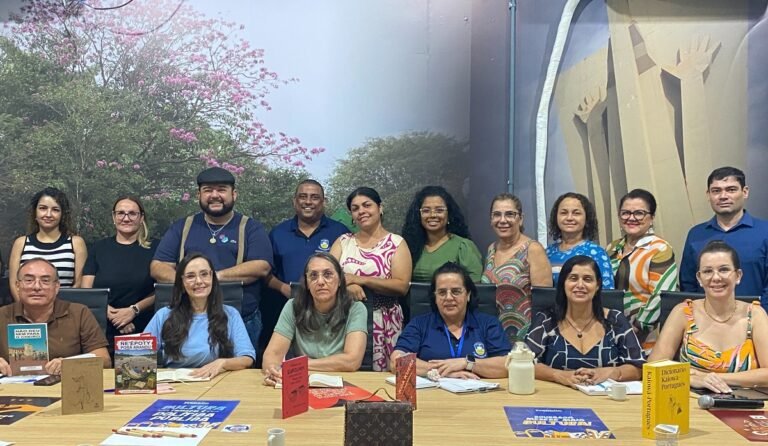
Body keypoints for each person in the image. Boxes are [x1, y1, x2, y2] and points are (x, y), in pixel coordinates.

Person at [151, 167, 273, 354]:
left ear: (234, 194)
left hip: (239, 319)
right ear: (198, 195)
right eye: (208, 190)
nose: (215, 195)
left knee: (240, 375)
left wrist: (212, 277)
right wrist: (188, 281)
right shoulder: (183, 226)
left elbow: (261, 266)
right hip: (187, 320)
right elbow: (158, 267)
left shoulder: (250, 228)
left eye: (221, 189)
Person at [651, 241, 768, 393]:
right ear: (699, 278)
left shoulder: (755, 315)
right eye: (707, 271)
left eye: (724, 269)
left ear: (738, 276)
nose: (716, 277)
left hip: (745, 405)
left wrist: (713, 378)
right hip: (690, 404)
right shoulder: (683, 312)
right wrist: (692, 379)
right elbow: (654, 366)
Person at [525, 256, 644, 388]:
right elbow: (525, 362)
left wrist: (612, 372)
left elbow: (638, 367)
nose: (580, 285)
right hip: (557, 399)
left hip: (605, 400)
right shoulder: (546, 320)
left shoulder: (615, 320)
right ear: (563, 283)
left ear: (597, 285)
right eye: (573, 278)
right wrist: (558, 375)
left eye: (587, 279)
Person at [330, 187, 412, 372]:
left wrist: (361, 280)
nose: (361, 211)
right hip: (344, 318)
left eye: (367, 205)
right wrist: (346, 286)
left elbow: (401, 286)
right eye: (355, 208)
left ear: (380, 208)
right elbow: (326, 276)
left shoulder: (396, 243)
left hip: (384, 321)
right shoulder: (343, 242)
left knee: (382, 380)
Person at [391, 262, 511, 378]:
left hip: (478, 395)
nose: (448, 298)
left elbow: (508, 365)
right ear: (435, 296)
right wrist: (442, 371)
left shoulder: (488, 324)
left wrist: (467, 363)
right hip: (431, 394)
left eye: (456, 291)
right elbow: (396, 360)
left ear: (468, 294)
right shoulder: (419, 324)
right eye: (442, 292)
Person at [262, 253, 367, 386]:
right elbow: (272, 354)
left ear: (340, 280)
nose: (321, 282)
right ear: (306, 283)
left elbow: (352, 361)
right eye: (313, 276)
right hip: (301, 383)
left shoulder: (356, 309)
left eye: (328, 274)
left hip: (344, 382)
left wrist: (298, 365)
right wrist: (274, 371)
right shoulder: (293, 306)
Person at [144, 253, 255, 377]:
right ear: (182, 282)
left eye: (204, 274)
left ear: (212, 277)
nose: (199, 281)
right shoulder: (164, 315)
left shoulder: (230, 314)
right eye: (190, 276)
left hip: (216, 381)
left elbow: (247, 358)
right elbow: (140, 354)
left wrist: (222, 363)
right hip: (175, 383)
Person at [0, 258, 110, 375]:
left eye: (45, 281)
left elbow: (104, 359)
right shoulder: (2, 315)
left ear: (57, 287)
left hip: (65, 388)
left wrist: (70, 364)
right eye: (29, 280)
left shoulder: (79, 312)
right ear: (17, 286)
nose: (37, 287)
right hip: (12, 389)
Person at [680, 166, 768, 311]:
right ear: (708, 195)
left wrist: (758, 318)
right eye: (716, 191)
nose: (723, 196)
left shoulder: (764, 231)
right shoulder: (696, 234)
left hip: (756, 322)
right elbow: (688, 284)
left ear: (745, 192)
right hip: (705, 324)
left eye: (731, 190)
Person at [82, 196, 157, 354]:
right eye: (121, 213)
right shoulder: (99, 248)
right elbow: (86, 290)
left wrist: (133, 311)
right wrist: (112, 315)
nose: (126, 218)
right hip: (103, 329)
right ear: (113, 217)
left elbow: (163, 290)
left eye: (132, 213)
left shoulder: (156, 248)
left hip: (143, 327)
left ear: (141, 217)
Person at [605, 189, 678, 351]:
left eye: (639, 213)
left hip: (644, 336)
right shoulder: (611, 248)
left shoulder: (660, 249)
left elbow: (661, 295)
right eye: (625, 213)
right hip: (609, 332)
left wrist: (636, 328)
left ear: (651, 218)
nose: (631, 218)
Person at [481, 193, 552, 342]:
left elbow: (544, 302)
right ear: (490, 220)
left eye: (510, 214)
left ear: (520, 219)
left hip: (527, 336)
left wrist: (536, 340)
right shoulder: (491, 249)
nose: (502, 220)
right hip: (493, 334)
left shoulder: (533, 249)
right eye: (497, 215)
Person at [8, 187, 87, 301]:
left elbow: (79, 284)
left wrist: (61, 311)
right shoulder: (20, 243)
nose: (48, 214)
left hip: (65, 311)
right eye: (43, 208)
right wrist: (29, 311)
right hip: (27, 313)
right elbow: (14, 285)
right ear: (35, 212)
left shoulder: (76, 243)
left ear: (62, 214)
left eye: (55, 209)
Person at [402, 185, 483, 283]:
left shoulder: (463, 247)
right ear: (418, 215)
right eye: (426, 211)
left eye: (439, 210)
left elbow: (475, 288)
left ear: (449, 215)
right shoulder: (409, 246)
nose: (432, 215)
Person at [546, 192, 614, 289]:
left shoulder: (597, 253)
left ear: (586, 218)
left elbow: (607, 295)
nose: (569, 218)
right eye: (564, 213)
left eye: (576, 213)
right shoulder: (547, 253)